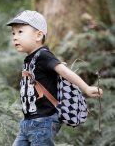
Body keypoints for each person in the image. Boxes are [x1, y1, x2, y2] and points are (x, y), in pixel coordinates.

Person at [6, 10, 103, 146]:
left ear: (39, 35)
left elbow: (64, 71)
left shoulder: (44, 56)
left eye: (20, 32)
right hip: (27, 122)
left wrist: (86, 88)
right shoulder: (29, 59)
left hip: (43, 121)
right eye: (13, 33)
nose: (15, 37)